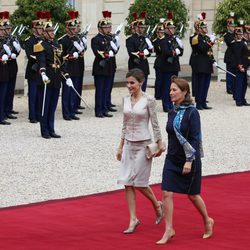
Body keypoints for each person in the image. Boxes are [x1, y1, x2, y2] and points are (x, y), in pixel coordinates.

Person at [156, 76, 214, 244]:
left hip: (190, 159)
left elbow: (196, 138)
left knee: (193, 195)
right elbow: (171, 135)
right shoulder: (171, 111)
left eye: (174, 90)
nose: (171, 92)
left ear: (184, 92)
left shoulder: (193, 112)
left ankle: (207, 220)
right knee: (166, 193)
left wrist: (189, 160)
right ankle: (168, 230)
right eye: (170, 90)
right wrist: (160, 147)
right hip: (172, 158)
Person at [117, 68, 165, 234]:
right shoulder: (125, 100)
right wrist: (120, 145)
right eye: (127, 82)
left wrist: (159, 144)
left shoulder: (149, 100)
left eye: (132, 83)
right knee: (127, 182)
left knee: (139, 182)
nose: (129, 86)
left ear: (140, 82)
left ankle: (157, 204)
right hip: (128, 145)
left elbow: (155, 124)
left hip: (143, 144)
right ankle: (133, 219)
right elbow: (124, 125)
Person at [34, 11, 73, 138]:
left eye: (52, 31)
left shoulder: (57, 44)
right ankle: (44, 130)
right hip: (46, 78)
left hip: (56, 78)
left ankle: (51, 129)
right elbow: (41, 62)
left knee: (53, 106)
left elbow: (61, 62)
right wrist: (43, 74)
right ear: (44, 33)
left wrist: (66, 76)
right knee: (44, 105)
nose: (52, 33)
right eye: (49, 31)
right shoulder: (40, 46)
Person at [91, 11, 116, 118]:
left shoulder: (109, 38)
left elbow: (115, 50)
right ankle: (99, 110)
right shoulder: (95, 39)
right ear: (100, 28)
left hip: (109, 67)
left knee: (107, 89)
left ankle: (105, 108)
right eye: (105, 27)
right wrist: (106, 54)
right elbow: (97, 52)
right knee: (100, 90)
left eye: (108, 27)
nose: (107, 29)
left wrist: (114, 49)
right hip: (100, 68)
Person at [24, 11, 45, 123]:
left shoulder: (44, 40)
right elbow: (29, 55)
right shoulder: (29, 41)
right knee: (33, 95)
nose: (41, 30)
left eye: (42, 28)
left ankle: (39, 114)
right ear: (34, 29)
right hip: (33, 70)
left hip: (41, 71)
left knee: (40, 95)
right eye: (39, 28)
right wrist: (40, 59)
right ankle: (32, 116)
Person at [126, 11, 153, 92]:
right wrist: (142, 54)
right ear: (136, 28)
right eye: (141, 27)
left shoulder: (145, 38)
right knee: (134, 88)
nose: (143, 29)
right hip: (135, 65)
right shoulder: (130, 39)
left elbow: (150, 50)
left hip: (144, 65)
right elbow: (131, 53)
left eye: (143, 27)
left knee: (143, 88)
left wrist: (147, 53)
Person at [0, 11, 11, 125]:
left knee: (3, 95)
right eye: (2, 30)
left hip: (4, 71)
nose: (4, 32)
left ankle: (1, 115)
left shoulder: (4, 41)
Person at [223, 12, 236, 95]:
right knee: (230, 72)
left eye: (233, 26)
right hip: (230, 55)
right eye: (231, 26)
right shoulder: (227, 34)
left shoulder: (236, 34)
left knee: (234, 72)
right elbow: (230, 43)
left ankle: (234, 87)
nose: (233, 27)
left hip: (236, 56)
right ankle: (229, 88)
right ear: (228, 27)